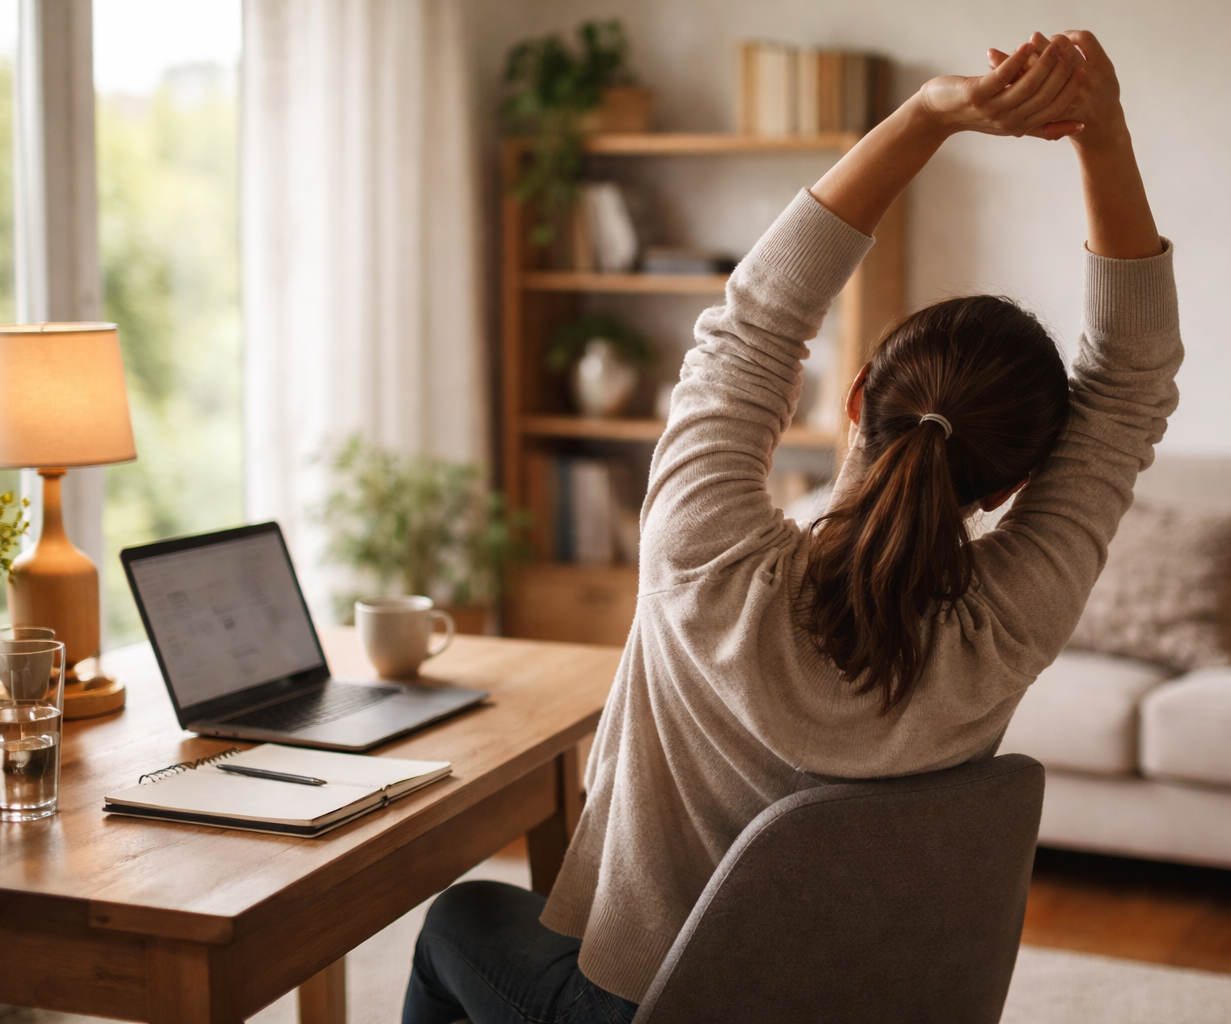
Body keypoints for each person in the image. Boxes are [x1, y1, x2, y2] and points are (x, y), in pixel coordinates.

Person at [403, 30, 1179, 1024]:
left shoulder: (704, 557)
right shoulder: (1004, 629)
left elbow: (755, 320)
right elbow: (1128, 389)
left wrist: (930, 115)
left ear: (855, 398)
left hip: (653, 1012)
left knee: (460, 918)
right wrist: (1102, 133)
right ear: (1007, 490)